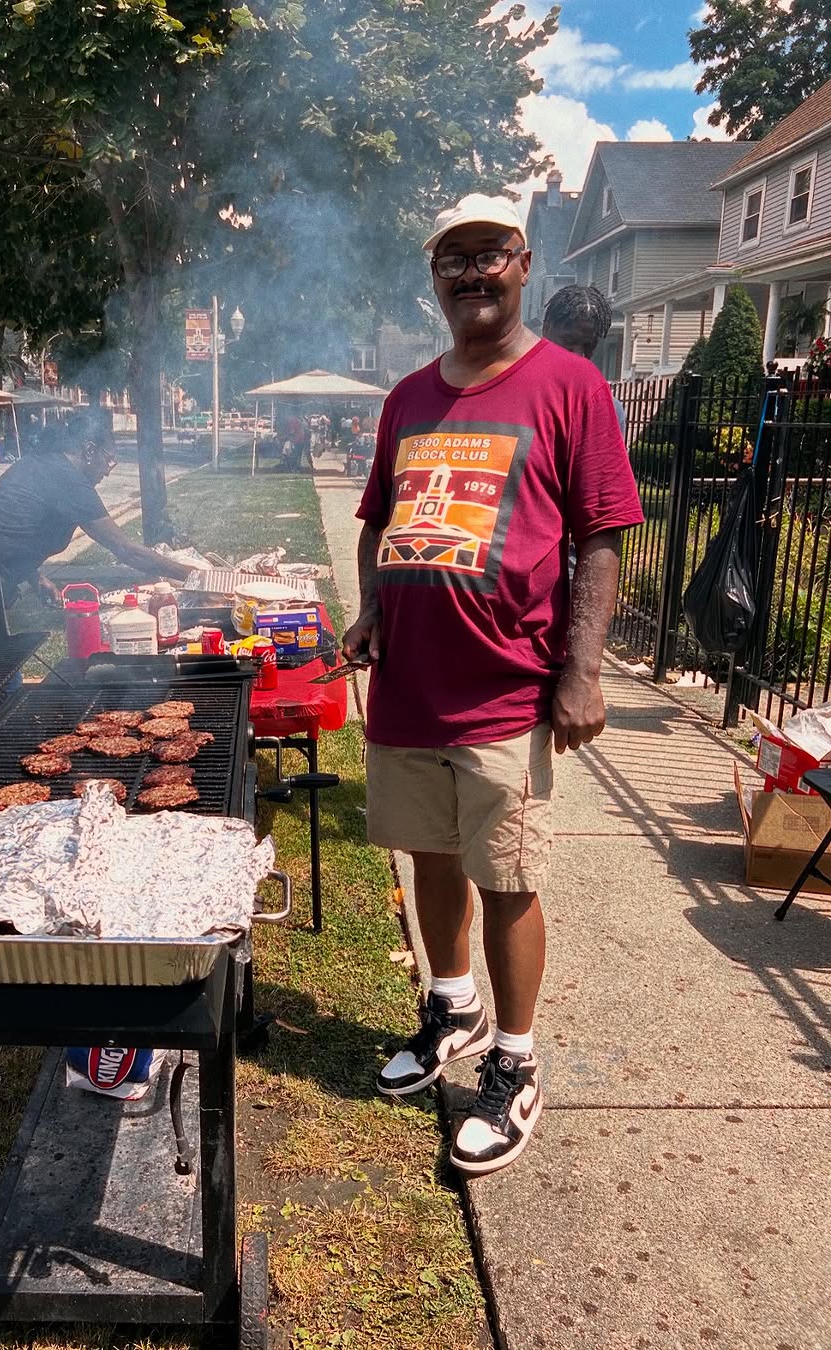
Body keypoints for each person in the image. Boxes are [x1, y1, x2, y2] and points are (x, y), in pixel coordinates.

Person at [343, 193, 643, 1176]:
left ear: (523, 264)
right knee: (429, 857)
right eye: (451, 260)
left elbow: (601, 536)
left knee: (506, 877)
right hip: (409, 689)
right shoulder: (407, 399)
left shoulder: (569, 386)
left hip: (509, 688)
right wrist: (374, 609)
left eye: (489, 255)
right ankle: (452, 1009)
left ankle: (516, 1065)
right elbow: (379, 521)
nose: (471, 273)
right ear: (435, 278)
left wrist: (583, 670)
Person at [0, 425, 189, 606]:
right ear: (90, 451)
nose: (108, 472)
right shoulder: (71, 484)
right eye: (109, 460)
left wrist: (35, 577)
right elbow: (127, 551)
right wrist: (193, 575)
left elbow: (13, 526)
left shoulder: (35, 464)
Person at [542, 285, 627, 443]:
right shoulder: (515, 394)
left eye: (589, 347)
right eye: (569, 342)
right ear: (546, 329)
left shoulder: (608, 411)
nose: (579, 355)